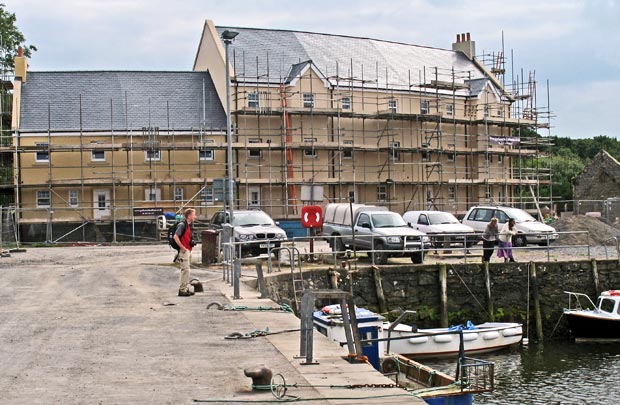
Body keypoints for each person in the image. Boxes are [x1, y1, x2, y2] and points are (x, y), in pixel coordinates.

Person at [173, 208, 197, 296]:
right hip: (184, 251)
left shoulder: (188, 225)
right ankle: (182, 289)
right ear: (189, 216)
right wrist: (182, 247)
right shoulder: (182, 225)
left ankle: (185, 288)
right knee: (185, 270)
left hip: (188, 250)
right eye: (194, 215)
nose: (195, 216)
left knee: (187, 270)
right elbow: (175, 237)